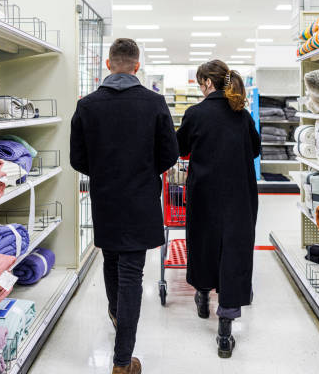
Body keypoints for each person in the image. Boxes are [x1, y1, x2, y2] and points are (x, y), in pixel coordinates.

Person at [70, 38, 179, 374]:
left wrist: (105, 171)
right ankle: (121, 362)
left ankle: (118, 316)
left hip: (105, 199)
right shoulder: (154, 103)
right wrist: (143, 170)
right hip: (140, 200)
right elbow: (170, 154)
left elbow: (78, 159)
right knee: (132, 274)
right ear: (136, 66)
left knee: (110, 258)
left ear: (108, 64)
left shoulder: (87, 106)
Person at [176, 60, 261, 358]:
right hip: (239, 196)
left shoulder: (195, 114)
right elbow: (255, 149)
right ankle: (225, 331)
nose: (200, 87)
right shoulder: (242, 114)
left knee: (204, 246)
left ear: (208, 84)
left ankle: (202, 294)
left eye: (201, 82)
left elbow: (180, 147)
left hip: (205, 196)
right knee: (234, 253)